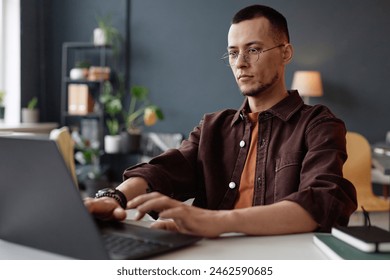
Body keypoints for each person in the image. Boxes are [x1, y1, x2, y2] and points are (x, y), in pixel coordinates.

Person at [85, 4, 357, 238]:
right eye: (233, 52)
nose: (240, 63)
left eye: (253, 50)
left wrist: (213, 222)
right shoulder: (213, 126)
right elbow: (163, 170)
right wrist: (115, 198)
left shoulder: (318, 123)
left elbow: (322, 203)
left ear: (285, 53)